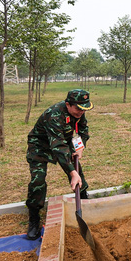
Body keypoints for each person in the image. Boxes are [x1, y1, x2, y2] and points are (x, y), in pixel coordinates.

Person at [25, 89, 94, 240]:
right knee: (38, 180)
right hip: (40, 146)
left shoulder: (78, 111)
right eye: (78, 109)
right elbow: (58, 147)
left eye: (84, 109)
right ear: (68, 104)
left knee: (78, 172)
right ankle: (34, 217)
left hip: (61, 142)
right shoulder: (54, 115)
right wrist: (71, 172)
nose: (81, 113)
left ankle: (83, 200)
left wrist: (80, 148)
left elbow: (83, 130)